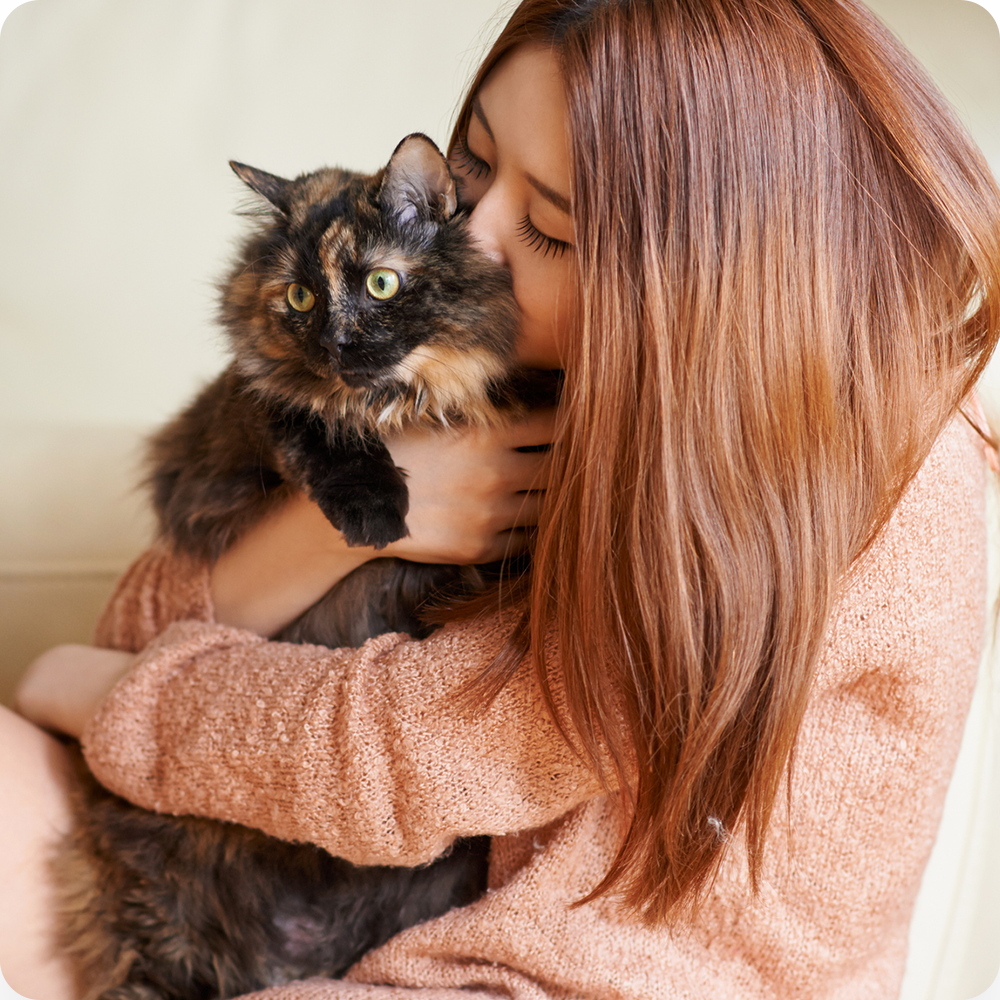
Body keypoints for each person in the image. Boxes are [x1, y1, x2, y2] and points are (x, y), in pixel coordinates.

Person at [4, 0, 1000, 997]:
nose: (467, 240)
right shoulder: (507, 367)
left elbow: (415, 752)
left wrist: (108, 698)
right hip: (353, 905)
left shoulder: (853, 482)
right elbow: (146, 617)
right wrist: (356, 519)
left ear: (702, 277)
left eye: (552, 227)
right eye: (472, 170)